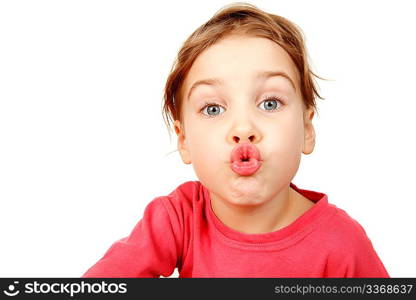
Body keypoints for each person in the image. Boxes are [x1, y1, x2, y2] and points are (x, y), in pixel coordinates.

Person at [83, 2, 389, 278]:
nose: (243, 128)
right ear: (184, 139)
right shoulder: (178, 219)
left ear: (307, 130)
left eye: (270, 103)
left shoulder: (342, 244)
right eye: (213, 108)